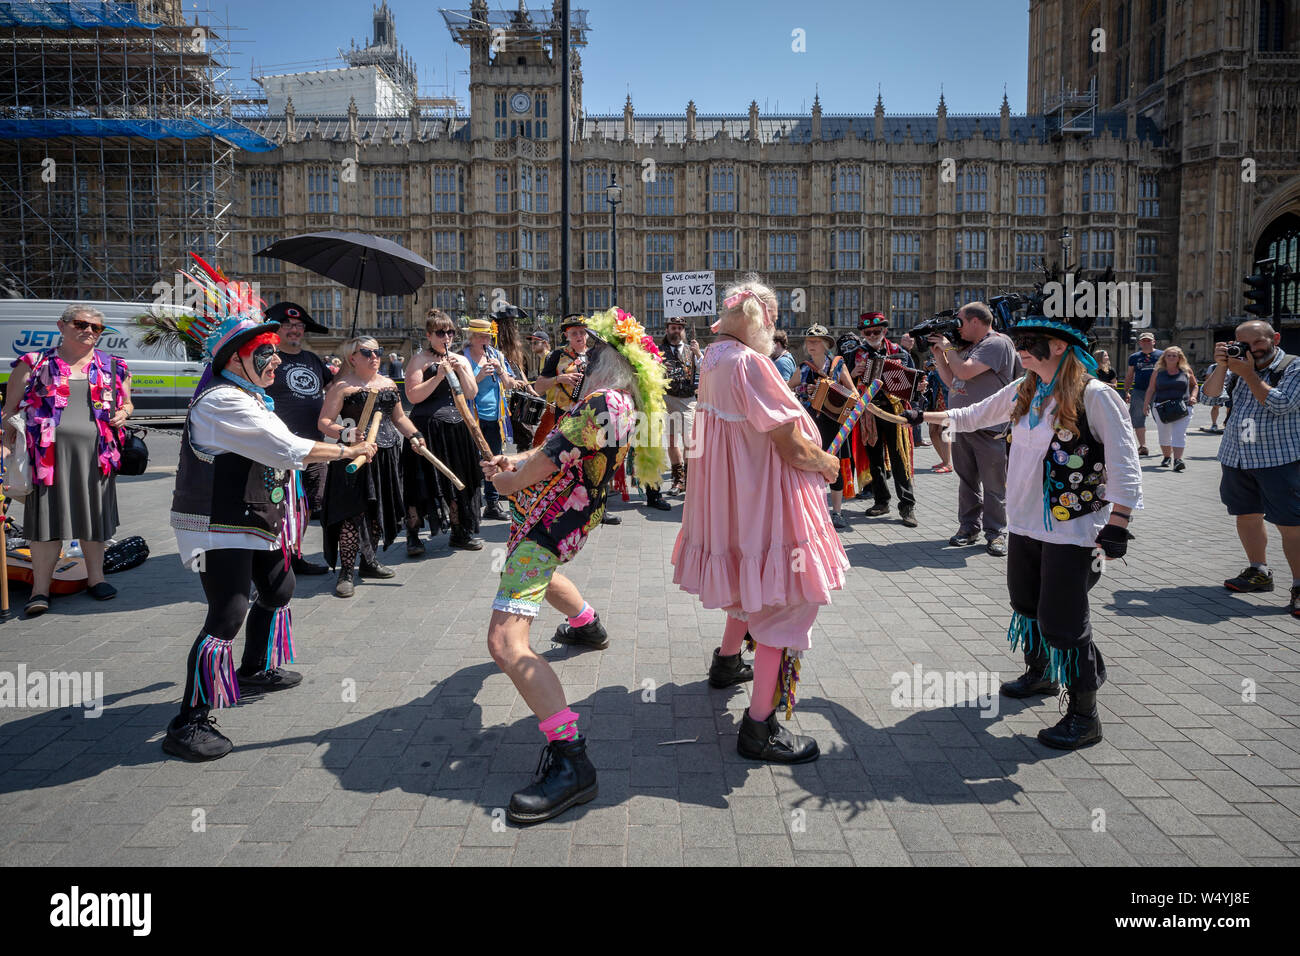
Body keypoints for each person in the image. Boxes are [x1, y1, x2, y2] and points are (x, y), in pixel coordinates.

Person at [156, 258, 377, 759]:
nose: (276, 363)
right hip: (217, 523)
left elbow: (289, 439)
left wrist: (344, 436)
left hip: (253, 516)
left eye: (277, 353)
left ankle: (254, 667)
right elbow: (288, 449)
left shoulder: (250, 396)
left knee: (279, 586)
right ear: (235, 359)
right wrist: (349, 450)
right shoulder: (222, 401)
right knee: (226, 612)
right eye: (265, 353)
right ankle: (187, 721)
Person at [907, 309, 1141, 749]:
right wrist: (925, 418)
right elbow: (975, 414)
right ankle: (1042, 674)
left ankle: (1084, 715)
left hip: (1073, 528)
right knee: (1026, 601)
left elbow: (1125, 464)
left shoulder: (1095, 396)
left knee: (1064, 622)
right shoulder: (1025, 389)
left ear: (1058, 346)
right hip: (1027, 522)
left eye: (1028, 340)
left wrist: (1119, 523)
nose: (1019, 347)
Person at [480, 307, 668, 824]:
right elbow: (559, 446)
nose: (581, 356)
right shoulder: (618, 403)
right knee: (542, 577)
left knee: (504, 643)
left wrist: (510, 481)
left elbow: (553, 454)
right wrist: (517, 460)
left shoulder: (602, 400)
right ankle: (588, 624)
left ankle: (571, 759)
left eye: (591, 352)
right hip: (567, 520)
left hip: (547, 523)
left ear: (609, 361)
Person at [674, 276, 847, 763]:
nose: (774, 331)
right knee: (783, 604)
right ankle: (759, 728)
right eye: (772, 322)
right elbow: (788, 443)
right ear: (759, 322)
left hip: (735, 500)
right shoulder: (751, 363)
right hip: (767, 500)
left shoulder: (713, 357)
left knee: (745, 578)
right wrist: (827, 463)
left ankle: (728, 662)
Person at [2, 305, 132, 615]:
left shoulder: (114, 366)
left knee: (94, 519)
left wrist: (123, 413)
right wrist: (7, 445)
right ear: (62, 325)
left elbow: (128, 402)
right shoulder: (34, 363)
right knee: (46, 522)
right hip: (47, 458)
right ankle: (40, 590)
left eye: (96, 327)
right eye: (80, 323)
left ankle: (96, 579)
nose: (88, 330)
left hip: (96, 455)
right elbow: (9, 409)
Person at [1201, 320, 1300, 617]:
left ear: (1275, 339)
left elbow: (1282, 405)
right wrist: (1222, 366)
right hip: (1237, 457)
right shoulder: (1235, 365)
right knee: (1246, 516)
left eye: (1257, 343)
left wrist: (1250, 374)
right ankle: (1259, 571)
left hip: (1278, 459)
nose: (1250, 350)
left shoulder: (1293, 368)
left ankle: (1298, 584)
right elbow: (1208, 397)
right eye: (1244, 344)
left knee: (1291, 525)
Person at [318, 337, 425, 597]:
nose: (374, 356)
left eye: (378, 351)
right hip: (353, 458)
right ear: (352, 358)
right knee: (351, 514)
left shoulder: (388, 384)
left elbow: (399, 418)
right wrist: (345, 433)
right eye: (366, 352)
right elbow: (324, 422)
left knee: (378, 511)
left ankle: (368, 562)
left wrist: (415, 435)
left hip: (386, 455)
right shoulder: (342, 387)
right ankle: (346, 571)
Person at [929, 301, 1020, 557]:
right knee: (966, 480)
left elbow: (965, 372)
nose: (957, 328)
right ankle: (968, 528)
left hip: (988, 425)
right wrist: (939, 354)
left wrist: (949, 349)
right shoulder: (970, 348)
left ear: (976, 321)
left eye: (960, 322)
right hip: (962, 422)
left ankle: (996, 533)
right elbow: (952, 380)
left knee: (993, 484)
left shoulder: (997, 343)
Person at [403, 310, 484, 552]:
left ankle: (460, 532)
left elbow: (471, 393)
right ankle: (413, 534)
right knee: (421, 482)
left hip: (456, 429)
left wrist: (461, 370)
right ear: (429, 335)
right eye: (440, 333)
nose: (446, 337)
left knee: (458, 480)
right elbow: (413, 396)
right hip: (427, 428)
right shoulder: (419, 360)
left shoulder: (461, 359)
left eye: (450, 332)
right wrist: (438, 376)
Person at [263, 301, 333, 576]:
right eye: (288, 325)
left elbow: (334, 388)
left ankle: (295, 554)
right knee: (279, 505)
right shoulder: (268, 358)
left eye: (299, 326)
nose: (294, 330)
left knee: (306, 506)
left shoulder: (313, 360)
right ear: (276, 329)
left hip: (314, 446)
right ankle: (273, 561)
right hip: (280, 448)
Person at [851, 311, 917, 527]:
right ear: (862, 333)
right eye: (867, 332)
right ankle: (881, 502)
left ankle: (907, 506)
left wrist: (919, 387)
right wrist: (853, 373)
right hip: (869, 413)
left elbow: (912, 382)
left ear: (885, 331)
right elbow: (842, 382)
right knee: (876, 461)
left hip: (894, 411)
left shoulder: (899, 352)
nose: (871, 335)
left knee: (900, 460)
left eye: (876, 331)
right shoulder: (856, 353)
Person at [789, 324, 856, 531]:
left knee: (834, 466)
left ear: (827, 344)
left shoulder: (838, 365)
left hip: (834, 423)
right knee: (812, 465)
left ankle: (836, 512)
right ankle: (815, 510)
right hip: (811, 424)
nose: (811, 345)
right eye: (809, 341)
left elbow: (854, 393)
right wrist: (803, 391)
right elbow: (786, 387)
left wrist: (838, 394)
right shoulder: (804, 367)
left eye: (816, 341)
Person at [463, 316, 521, 521]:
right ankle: (470, 503)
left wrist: (501, 371)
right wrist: (478, 377)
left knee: (492, 459)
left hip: (495, 416)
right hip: (471, 417)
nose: (485, 341)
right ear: (471, 337)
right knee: (472, 459)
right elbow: (458, 390)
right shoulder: (463, 357)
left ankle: (492, 503)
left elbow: (510, 384)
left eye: (488, 337)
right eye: (481, 337)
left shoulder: (496, 354)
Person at [661, 317, 701, 496]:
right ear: (667, 330)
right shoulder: (658, 352)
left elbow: (704, 370)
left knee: (689, 441)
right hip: (667, 397)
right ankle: (678, 480)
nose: (676, 331)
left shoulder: (691, 350)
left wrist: (698, 353)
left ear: (683, 331)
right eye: (673, 328)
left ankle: (690, 479)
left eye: (679, 328)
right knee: (671, 440)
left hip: (687, 399)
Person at [1143, 345, 1198, 471]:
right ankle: (1167, 456)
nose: (1171, 357)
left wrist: (1193, 397)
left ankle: (1178, 460)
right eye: (1169, 355)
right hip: (1162, 408)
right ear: (1164, 357)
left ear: (1179, 358)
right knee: (1164, 434)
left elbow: (1195, 385)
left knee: (1179, 433)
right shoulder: (1158, 371)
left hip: (1183, 407)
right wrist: (1146, 404)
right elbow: (1151, 389)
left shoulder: (1186, 371)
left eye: (1174, 355)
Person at [1124, 331, 1163, 456]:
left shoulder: (1162, 355)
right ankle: (1143, 446)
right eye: (1143, 341)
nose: (1146, 343)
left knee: (1163, 418)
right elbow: (1130, 375)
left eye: (1148, 340)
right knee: (1138, 419)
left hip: (1159, 391)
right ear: (1140, 342)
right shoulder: (1134, 357)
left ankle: (1167, 445)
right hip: (1139, 391)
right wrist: (1127, 391)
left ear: (1153, 341)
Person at [924, 358, 953, 473]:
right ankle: (944, 460)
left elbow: (948, 385)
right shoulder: (936, 362)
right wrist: (927, 372)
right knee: (933, 432)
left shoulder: (953, 363)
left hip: (948, 403)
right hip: (935, 403)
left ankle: (948, 464)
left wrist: (936, 370)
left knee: (944, 433)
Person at [1201, 361, 1224, 433]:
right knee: (1216, 406)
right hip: (1218, 387)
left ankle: (1226, 424)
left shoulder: (1233, 365)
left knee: (1230, 408)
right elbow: (1208, 377)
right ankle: (1214, 423)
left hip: (1229, 387)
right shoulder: (1213, 366)